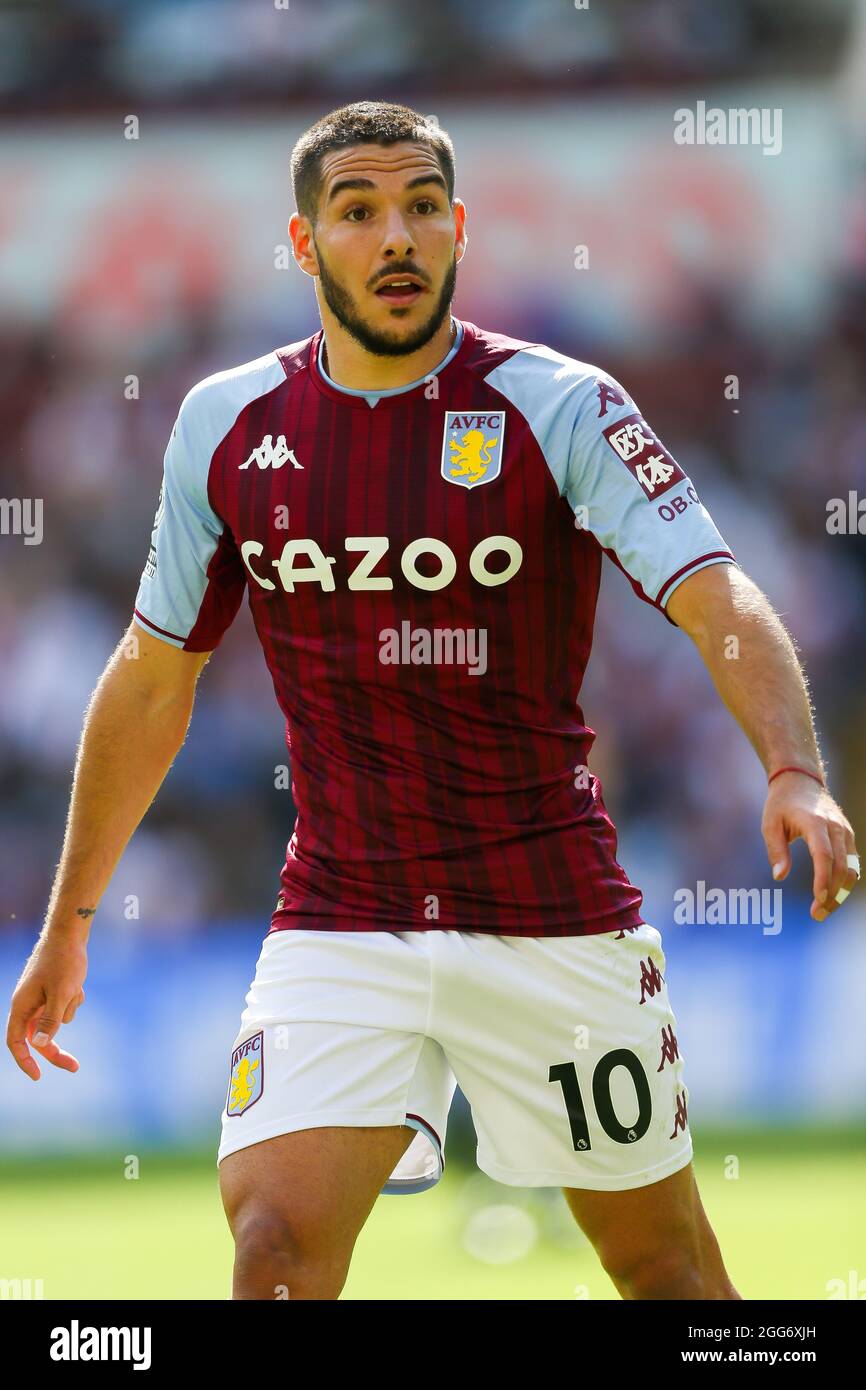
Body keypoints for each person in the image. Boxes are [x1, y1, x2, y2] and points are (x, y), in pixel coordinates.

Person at [7, 101, 859, 1301]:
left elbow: (714, 595)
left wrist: (790, 763)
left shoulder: (561, 404)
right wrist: (72, 918)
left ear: (457, 231)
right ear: (304, 246)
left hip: (550, 913)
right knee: (273, 1254)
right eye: (356, 212)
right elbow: (152, 679)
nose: (393, 236)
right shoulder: (227, 425)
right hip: (341, 916)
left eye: (418, 209)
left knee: (666, 1271)